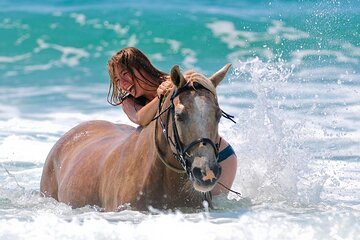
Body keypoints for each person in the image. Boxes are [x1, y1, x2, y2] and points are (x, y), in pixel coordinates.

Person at [107, 47, 237, 195]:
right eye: (117, 80)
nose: (123, 84)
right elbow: (140, 118)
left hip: (221, 157)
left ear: (141, 68)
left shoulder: (175, 83)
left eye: (125, 74)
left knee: (214, 212)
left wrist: (171, 89)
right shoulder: (130, 102)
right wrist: (161, 96)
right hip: (189, 160)